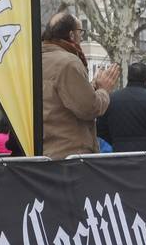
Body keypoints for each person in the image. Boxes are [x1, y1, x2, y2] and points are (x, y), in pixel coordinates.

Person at [41, 10, 120, 160]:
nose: (82, 36)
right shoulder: (68, 63)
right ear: (71, 35)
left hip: (44, 154)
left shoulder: (36, 60)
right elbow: (89, 108)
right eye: (80, 31)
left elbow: (61, 98)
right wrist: (104, 90)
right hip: (69, 154)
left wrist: (93, 87)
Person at [98, 61, 146, 152]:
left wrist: (115, 143)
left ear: (128, 77)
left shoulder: (111, 100)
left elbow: (100, 129)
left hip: (119, 154)